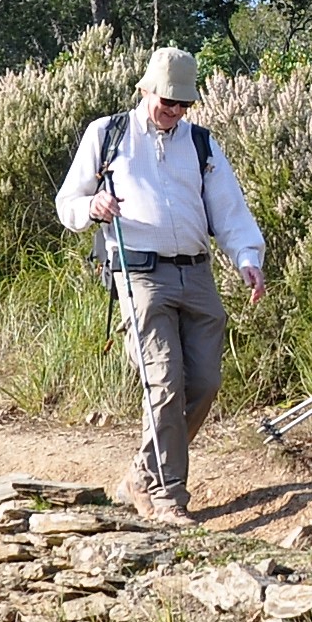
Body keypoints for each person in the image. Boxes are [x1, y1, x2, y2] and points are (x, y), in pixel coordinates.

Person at [55, 46, 266, 523]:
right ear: (146, 90)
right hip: (139, 274)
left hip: (198, 274)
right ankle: (169, 498)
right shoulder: (107, 134)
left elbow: (229, 210)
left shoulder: (202, 143)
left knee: (205, 383)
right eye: (168, 101)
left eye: (184, 103)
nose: (175, 111)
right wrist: (93, 207)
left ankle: (142, 473)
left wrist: (248, 258)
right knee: (164, 384)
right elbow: (68, 203)